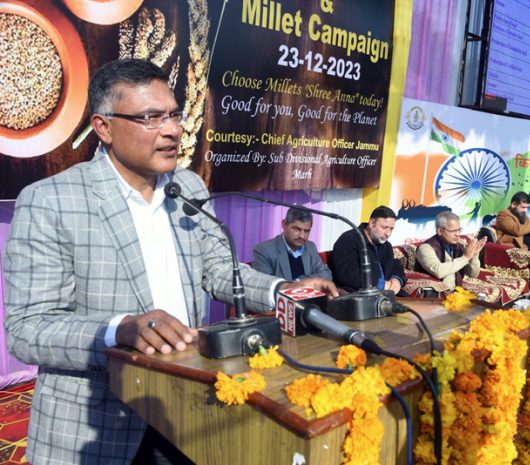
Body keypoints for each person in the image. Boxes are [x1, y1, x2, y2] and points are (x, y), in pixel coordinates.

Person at [2, 59, 336, 465]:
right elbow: (28, 329)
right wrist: (120, 330)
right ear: (104, 127)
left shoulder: (189, 186)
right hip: (95, 425)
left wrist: (281, 289)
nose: (173, 129)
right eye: (150, 117)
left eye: (175, 115)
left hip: (184, 412)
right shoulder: (51, 200)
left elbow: (219, 271)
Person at [330, 206, 407, 294]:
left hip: (386, 295)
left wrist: (397, 280)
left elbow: (394, 264)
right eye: (384, 227)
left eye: (391, 229)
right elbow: (346, 273)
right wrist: (379, 284)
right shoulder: (349, 239)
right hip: (360, 296)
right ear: (371, 223)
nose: (388, 233)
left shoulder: (386, 245)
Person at [252, 208, 332, 281]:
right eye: (296, 229)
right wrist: (302, 284)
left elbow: (326, 275)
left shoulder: (310, 247)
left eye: (307, 231)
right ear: (284, 224)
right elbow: (264, 285)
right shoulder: (264, 250)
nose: (302, 236)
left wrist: (299, 281)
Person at [415, 211, 486, 290]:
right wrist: (465, 258)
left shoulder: (459, 246)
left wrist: (474, 256)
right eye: (453, 231)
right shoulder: (426, 248)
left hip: (455, 293)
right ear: (440, 231)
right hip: (433, 296)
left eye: (459, 230)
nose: (457, 234)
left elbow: (473, 275)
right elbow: (439, 271)